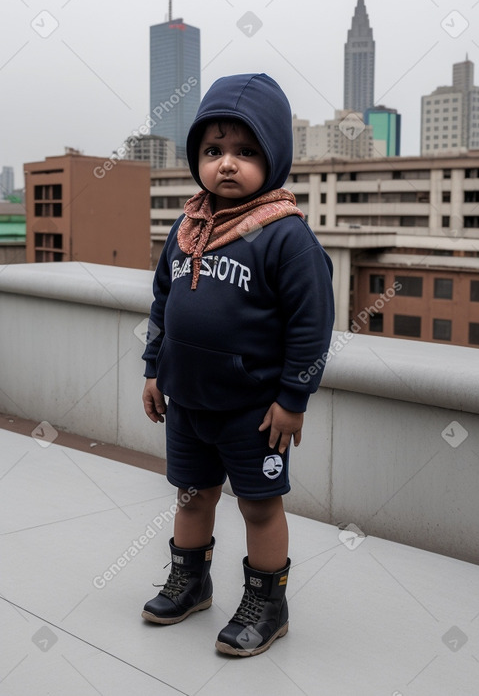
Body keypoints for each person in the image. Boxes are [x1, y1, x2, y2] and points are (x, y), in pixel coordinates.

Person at [141, 73, 335, 657]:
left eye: (246, 151)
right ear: (197, 157)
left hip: (255, 412)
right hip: (189, 401)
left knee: (258, 505)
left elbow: (311, 326)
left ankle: (266, 604)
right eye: (214, 150)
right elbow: (162, 304)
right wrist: (154, 370)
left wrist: (293, 399)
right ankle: (191, 581)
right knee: (192, 496)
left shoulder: (286, 238)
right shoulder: (186, 229)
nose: (227, 164)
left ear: (273, 158)